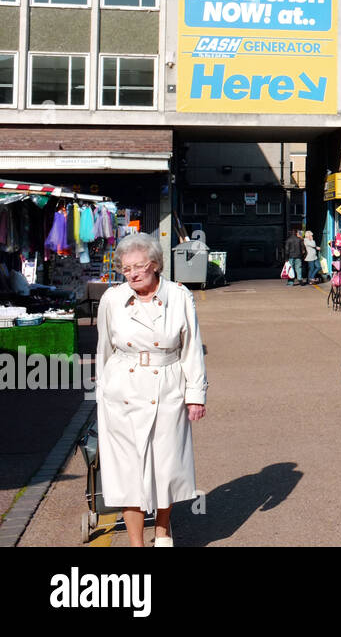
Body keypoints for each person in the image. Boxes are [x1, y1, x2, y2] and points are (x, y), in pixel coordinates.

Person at [95, 233, 207, 547]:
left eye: (139, 266)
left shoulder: (179, 296)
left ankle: (162, 529)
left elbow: (191, 349)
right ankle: (136, 542)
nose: (132, 273)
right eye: (126, 268)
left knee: (166, 465)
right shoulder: (112, 299)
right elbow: (104, 349)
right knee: (127, 469)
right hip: (123, 390)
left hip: (167, 385)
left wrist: (195, 395)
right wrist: (103, 391)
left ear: (155, 264)